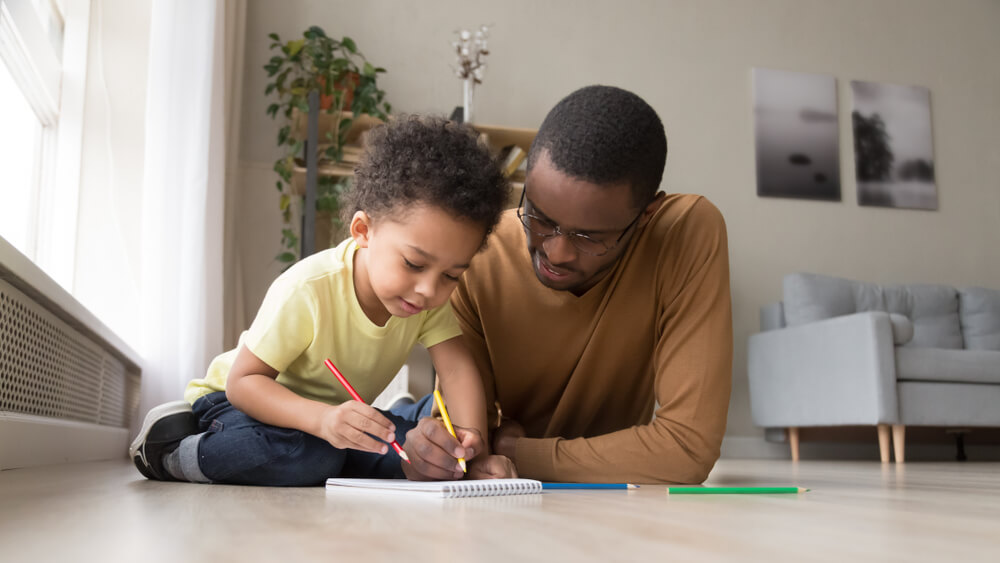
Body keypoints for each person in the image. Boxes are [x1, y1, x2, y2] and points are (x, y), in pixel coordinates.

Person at [129, 115, 513, 485]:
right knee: (311, 456)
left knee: (423, 450)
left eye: (451, 275)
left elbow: (459, 372)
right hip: (238, 406)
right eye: (413, 263)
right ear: (364, 230)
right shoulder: (309, 288)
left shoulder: (426, 300)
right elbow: (243, 383)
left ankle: (392, 422)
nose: (430, 290)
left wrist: (468, 453)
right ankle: (171, 453)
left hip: (332, 421)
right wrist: (322, 421)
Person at [397, 85, 732, 484]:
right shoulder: (477, 253)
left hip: (521, 451)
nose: (556, 253)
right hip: (478, 429)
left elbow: (686, 450)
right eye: (538, 216)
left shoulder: (685, 232)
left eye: (589, 237)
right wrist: (443, 451)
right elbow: (471, 449)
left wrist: (516, 452)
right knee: (409, 427)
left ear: (646, 216)